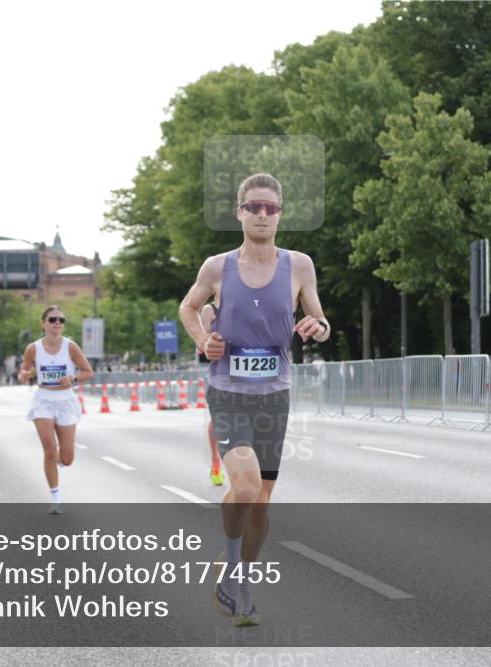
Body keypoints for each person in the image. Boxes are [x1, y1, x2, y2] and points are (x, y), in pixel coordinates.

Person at [178, 173, 330, 627]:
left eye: (271, 208)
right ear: (240, 213)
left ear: (280, 214)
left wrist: (318, 327)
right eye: (254, 207)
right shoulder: (216, 267)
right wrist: (204, 341)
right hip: (228, 393)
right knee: (244, 488)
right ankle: (229, 569)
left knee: (260, 502)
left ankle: (240, 579)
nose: (262, 215)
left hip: (274, 396)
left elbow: (320, 320)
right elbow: (188, 308)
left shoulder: (299, 266)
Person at [18, 306, 94, 515]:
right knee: (50, 451)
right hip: (43, 400)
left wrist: (73, 378)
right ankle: (56, 499)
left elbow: (88, 372)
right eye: (53, 319)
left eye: (61, 319)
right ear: (43, 323)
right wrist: (25, 374)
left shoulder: (71, 346)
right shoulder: (33, 348)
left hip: (66, 401)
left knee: (67, 459)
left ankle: (60, 458)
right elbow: (24, 370)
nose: (58, 323)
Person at [197, 302, 225, 486]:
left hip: (249, 376)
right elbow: (202, 347)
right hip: (220, 374)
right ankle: (216, 460)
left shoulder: (252, 301)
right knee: (218, 419)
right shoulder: (210, 310)